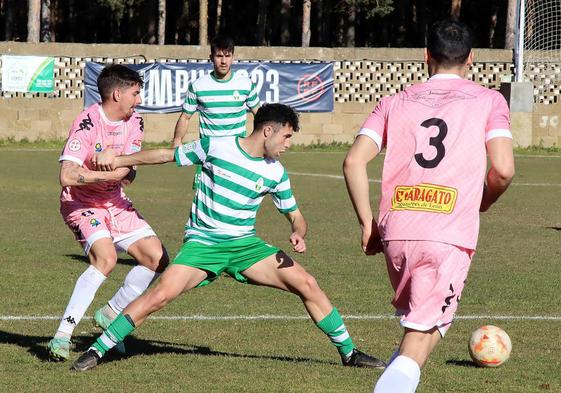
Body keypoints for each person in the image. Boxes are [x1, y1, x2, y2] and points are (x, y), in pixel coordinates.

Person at [70, 103, 386, 372]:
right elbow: (167, 155)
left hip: (245, 247)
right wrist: (120, 160)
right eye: (287, 136)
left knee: (308, 283)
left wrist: (297, 231)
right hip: (203, 245)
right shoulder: (216, 146)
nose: (288, 143)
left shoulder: (276, 171)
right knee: (159, 296)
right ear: (268, 131)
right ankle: (97, 350)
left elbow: (296, 215)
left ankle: (349, 352)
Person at [343, 19, 515, 393]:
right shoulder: (489, 100)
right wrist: (479, 202)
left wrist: (367, 223)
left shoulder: (393, 101)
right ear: (471, 58)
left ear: (425, 56)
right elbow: (502, 170)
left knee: (417, 331)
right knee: (423, 335)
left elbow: (354, 161)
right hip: (446, 234)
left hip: (398, 231)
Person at [47, 64, 169, 361]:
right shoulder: (87, 122)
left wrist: (118, 166)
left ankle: (111, 311)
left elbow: (129, 171)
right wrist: (104, 174)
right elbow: (66, 175)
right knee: (107, 258)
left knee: (158, 258)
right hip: (81, 203)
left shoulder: (135, 122)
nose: (138, 99)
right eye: (135, 93)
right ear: (117, 93)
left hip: (115, 202)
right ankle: (62, 335)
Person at [173, 35, 260, 188]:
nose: (224, 61)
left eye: (227, 56)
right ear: (211, 58)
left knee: (235, 199)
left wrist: (260, 142)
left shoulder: (245, 84)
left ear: (233, 57)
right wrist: (177, 141)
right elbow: (185, 117)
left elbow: (259, 114)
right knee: (205, 202)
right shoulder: (198, 86)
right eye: (219, 56)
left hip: (237, 153)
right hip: (209, 154)